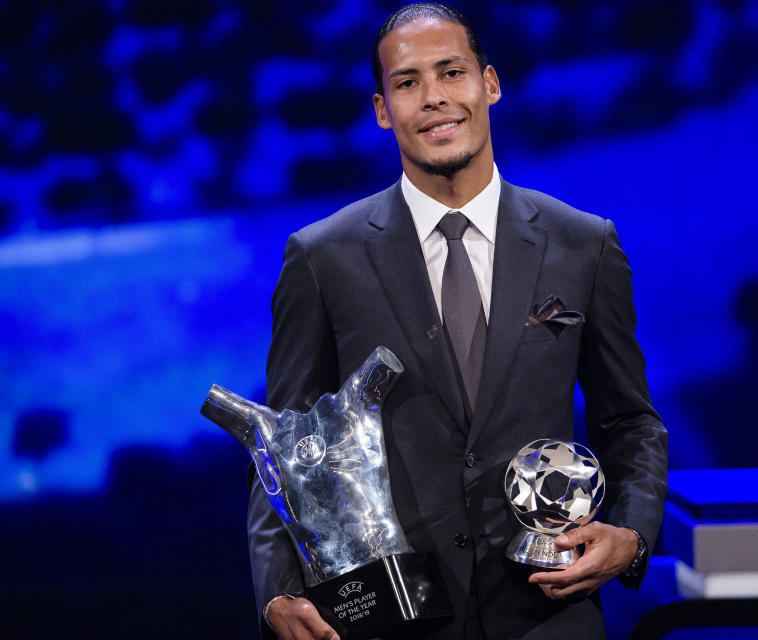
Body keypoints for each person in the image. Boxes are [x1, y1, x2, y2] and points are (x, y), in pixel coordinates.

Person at [249, 3, 668, 639]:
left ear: (489, 84)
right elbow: (282, 447)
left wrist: (632, 534)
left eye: (451, 73)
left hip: (547, 613)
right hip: (392, 617)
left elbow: (631, 421)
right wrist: (278, 591)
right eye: (408, 82)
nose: (435, 99)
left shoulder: (583, 244)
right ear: (383, 110)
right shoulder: (321, 258)